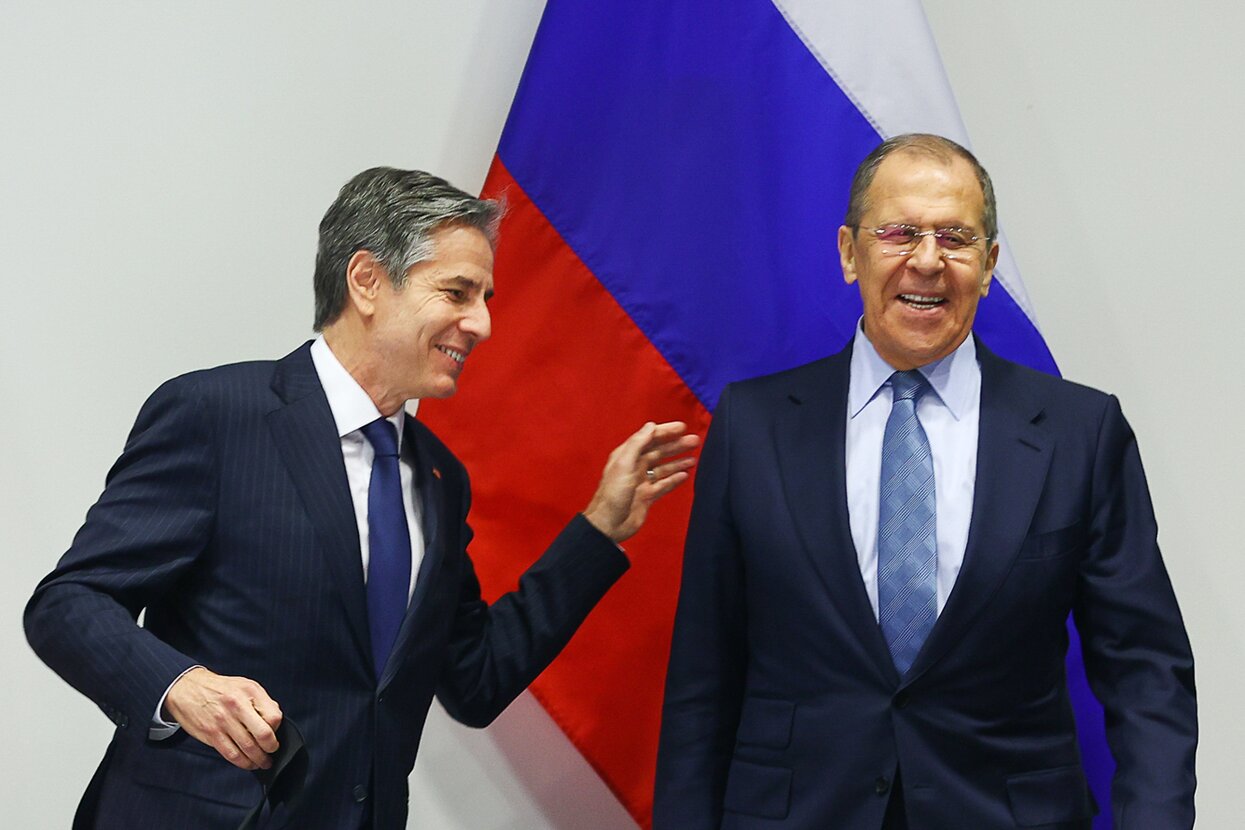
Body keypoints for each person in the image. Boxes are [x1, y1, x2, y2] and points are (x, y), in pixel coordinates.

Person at [25, 167, 699, 830]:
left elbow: (475, 680)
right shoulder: (218, 416)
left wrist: (598, 530)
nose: (483, 323)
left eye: (485, 298)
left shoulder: (440, 478)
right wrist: (179, 686)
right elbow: (69, 602)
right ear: (367, 281)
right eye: (458, 293)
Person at [654, 134, 1195, 829]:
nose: (928, 260)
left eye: (955, 237)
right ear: (849, 252)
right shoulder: (754, 427)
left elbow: (1145, 671)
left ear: (989, 264)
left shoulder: (1078, 433)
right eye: (899, 233)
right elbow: (703, 679)